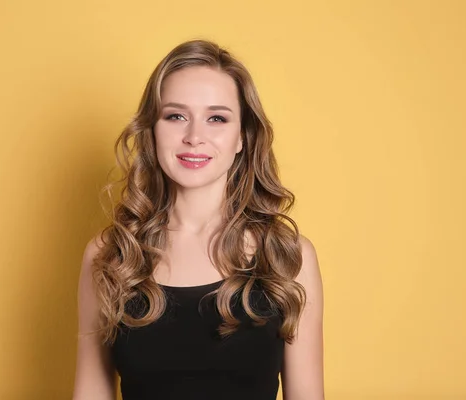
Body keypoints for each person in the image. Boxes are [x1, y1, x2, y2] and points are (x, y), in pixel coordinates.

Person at [72, 39, 324, 400]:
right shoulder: (110, 256)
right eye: (176, 116)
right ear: (152, 130)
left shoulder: (287, 255)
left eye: (217, 118)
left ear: (242, 137)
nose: (194, 137)